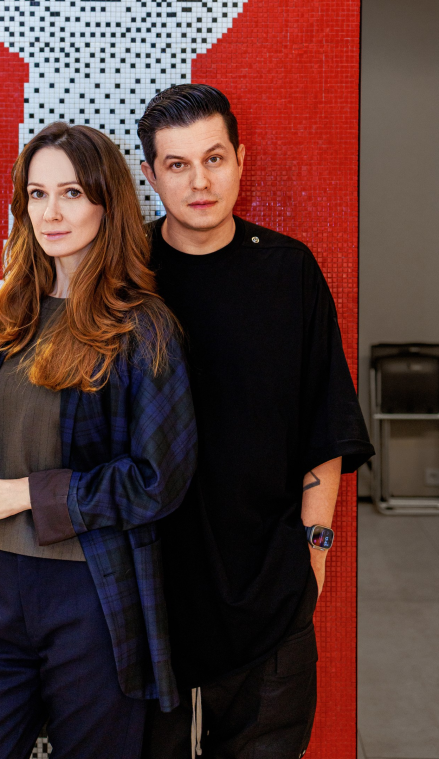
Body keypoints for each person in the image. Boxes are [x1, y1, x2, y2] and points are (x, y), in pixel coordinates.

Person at [0, 123, 197, 759]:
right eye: (37, 194)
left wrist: (27, 494)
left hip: (91, 598)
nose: (51, 213)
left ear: (107, 202)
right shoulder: (5, 316)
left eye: (71, 193)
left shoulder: (142, 329)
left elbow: (159, 481)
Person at [137, 84, 375, 759]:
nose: (200, 181)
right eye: (178, 164)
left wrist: (313, 553)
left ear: (240, 159)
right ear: (150, 174)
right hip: (147, 602)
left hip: (271, 596)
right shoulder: (123, 276)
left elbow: (325, 423)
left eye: (214, 158)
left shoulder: (288, 270)